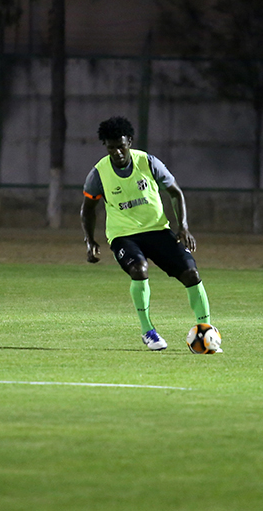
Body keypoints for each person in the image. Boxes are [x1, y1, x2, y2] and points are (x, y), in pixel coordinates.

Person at [80, 116, 213, 351]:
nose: (117, 152)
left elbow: (175, 193)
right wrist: (90, 240)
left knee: (191, 273)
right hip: (123, 236)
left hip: (157, 230)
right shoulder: (99, 173)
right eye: (111, 148)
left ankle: (206, 332)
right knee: (139, 269)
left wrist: (183, 226)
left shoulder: (149, 162)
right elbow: (88, 208)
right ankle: (148, 331)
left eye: (121, 146)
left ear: (129, 142)